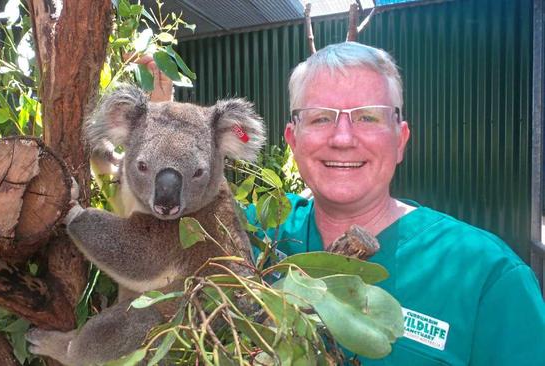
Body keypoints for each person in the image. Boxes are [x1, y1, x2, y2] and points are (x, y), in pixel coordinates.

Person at [142, 42, 545, 364]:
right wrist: (158, 132)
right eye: (320, 118)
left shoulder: (488, 277)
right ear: (293, 140)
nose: (343, 138)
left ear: (401, 139)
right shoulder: (248, 236)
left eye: (368, 117)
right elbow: (151, 224)